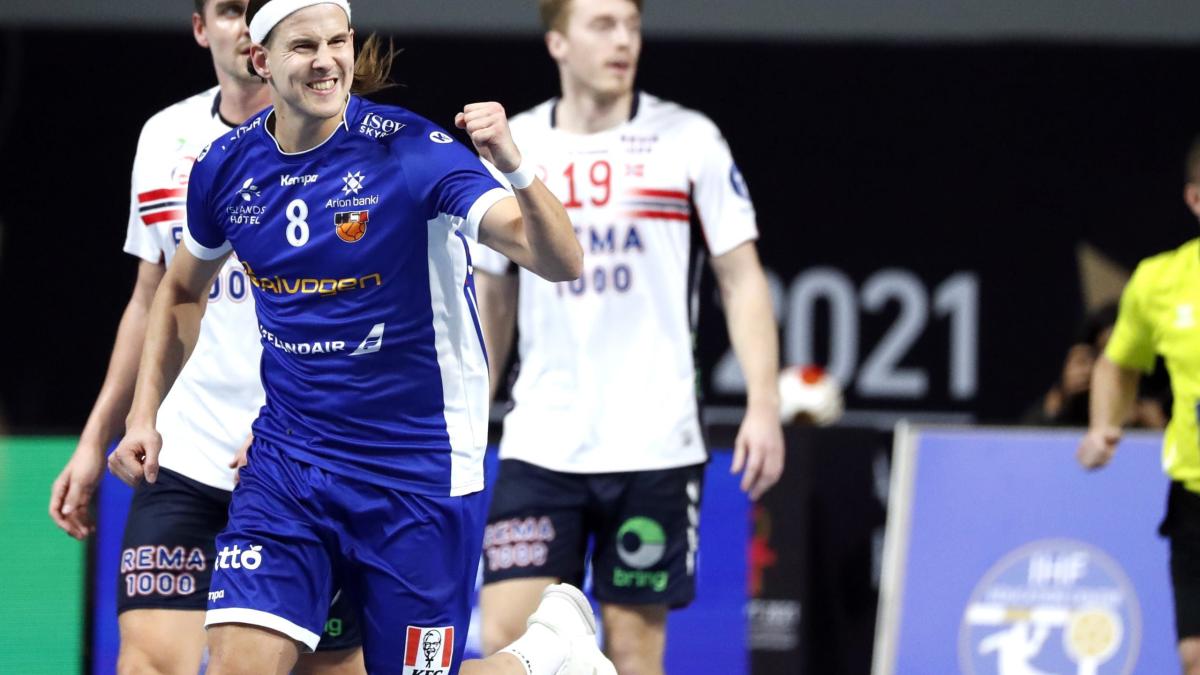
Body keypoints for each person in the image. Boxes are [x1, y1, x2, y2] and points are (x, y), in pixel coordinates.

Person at [107, 1, 613, 674]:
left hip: (416, 469)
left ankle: (547, 653)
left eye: (338, 41)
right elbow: (179, 291)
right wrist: (145, 413)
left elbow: (561, 260)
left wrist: (516, 169)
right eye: (303, 46)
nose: (326, 61)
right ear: (261, 60)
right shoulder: (224, 167)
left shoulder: (412, 151)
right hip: (289, 463)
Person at [47, 1, 363, 672]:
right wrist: (97, 437)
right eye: (228, 11)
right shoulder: (166, 138)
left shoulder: (351, 146)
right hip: (184, 455)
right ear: (200, 28)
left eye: (259, 9)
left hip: (303, 459)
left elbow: (369, 310)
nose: (245, 26)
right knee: (147, 661)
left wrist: (296, 423)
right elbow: (151, 300)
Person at [472, 1, 785, 672]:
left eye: (632, 25)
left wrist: (764, 402)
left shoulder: (689, 139)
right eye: (602, 25)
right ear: (557, 43)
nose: (624, 41)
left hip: (655, 442)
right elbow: (492, 296)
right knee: (505, 635)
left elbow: (741, 279)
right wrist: (470, 414)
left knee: (635, 652)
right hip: (542, 437)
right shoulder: (516, 145)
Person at [1077, 135, 1200, 675]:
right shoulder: (1159, 281)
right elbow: (1118, 363)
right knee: (1194, 656)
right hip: (1194, 494)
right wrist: (1103, 425)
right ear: (1195, 200)